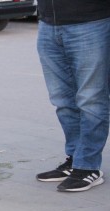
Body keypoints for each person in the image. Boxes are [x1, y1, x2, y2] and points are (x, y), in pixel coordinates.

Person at [35, 0, 110, 192]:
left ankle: (88, 166)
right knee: (62, 100)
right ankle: (75, 159)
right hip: (48, 24)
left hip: (91, 23)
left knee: (91, 99)